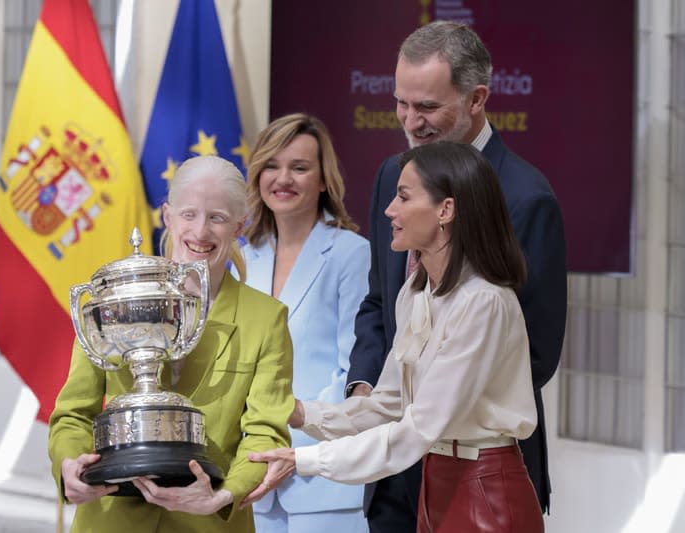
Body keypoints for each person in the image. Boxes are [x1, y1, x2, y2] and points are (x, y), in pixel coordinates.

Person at [248, 141, 545, 533]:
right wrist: (300, 412)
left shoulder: (484, 302)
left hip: (485, 491)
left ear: (446, 209)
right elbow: (387, 404)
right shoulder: (415, 292)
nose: (389, 209)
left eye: (404, 197)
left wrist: (306, 460)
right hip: (434, 483)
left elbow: (418, 428)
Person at [344, 20, 567, 531]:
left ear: (477, 98)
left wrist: (430, 414)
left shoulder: (527, 198)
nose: (410, 120)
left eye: (427, 107)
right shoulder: (390, 175)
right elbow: (379, 302)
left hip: (477, 474)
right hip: (392, 472)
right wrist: (365, 394)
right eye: (402, 102)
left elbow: (534, 353)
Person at [48, 155, 294, 533]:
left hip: (208, 522)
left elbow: (265, 432)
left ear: (239, 226)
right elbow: (73, 415)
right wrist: (71, 465)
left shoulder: (266, 319)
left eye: (217, 217)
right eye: (189, 214)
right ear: (167, 215)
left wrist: (224, 494)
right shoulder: (115, 299)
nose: (201, 232)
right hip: (110, 521)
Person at [240, 113, 370, 533]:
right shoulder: (244, 258)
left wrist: (291, 449)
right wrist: (259, 451)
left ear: (323, 180)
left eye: (299, 167)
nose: (284, 178)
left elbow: (353, 372)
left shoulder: (352, 254)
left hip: (324, 481)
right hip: (253, 478)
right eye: (272, 166)